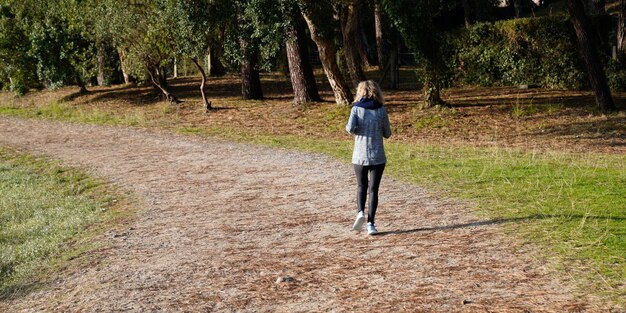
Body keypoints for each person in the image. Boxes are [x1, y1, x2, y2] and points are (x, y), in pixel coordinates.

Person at [345, 80, 391, 235]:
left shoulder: (356, 109)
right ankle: (371, 224)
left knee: (361, 186)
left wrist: (359, 129)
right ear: (376, 91)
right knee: (373, 190)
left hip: (359, 155)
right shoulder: (381, 110)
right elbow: (387, 133)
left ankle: (360, 213)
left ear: (360, 92)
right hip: (377, 155)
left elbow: (350, 128)